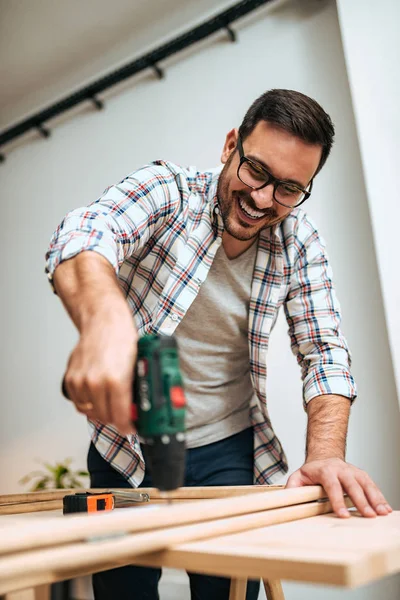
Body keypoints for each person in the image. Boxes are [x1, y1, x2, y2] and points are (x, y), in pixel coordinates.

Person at [45, 89, 392, 600]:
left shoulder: (300, 242)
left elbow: (324, 352)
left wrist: (325, 454)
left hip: (228, 449)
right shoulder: (169, 191)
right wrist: (105, 324)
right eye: (255, 171)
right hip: (124, 447)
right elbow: (87, 231)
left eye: (290, 188)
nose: (263, 199)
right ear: (231, 145)